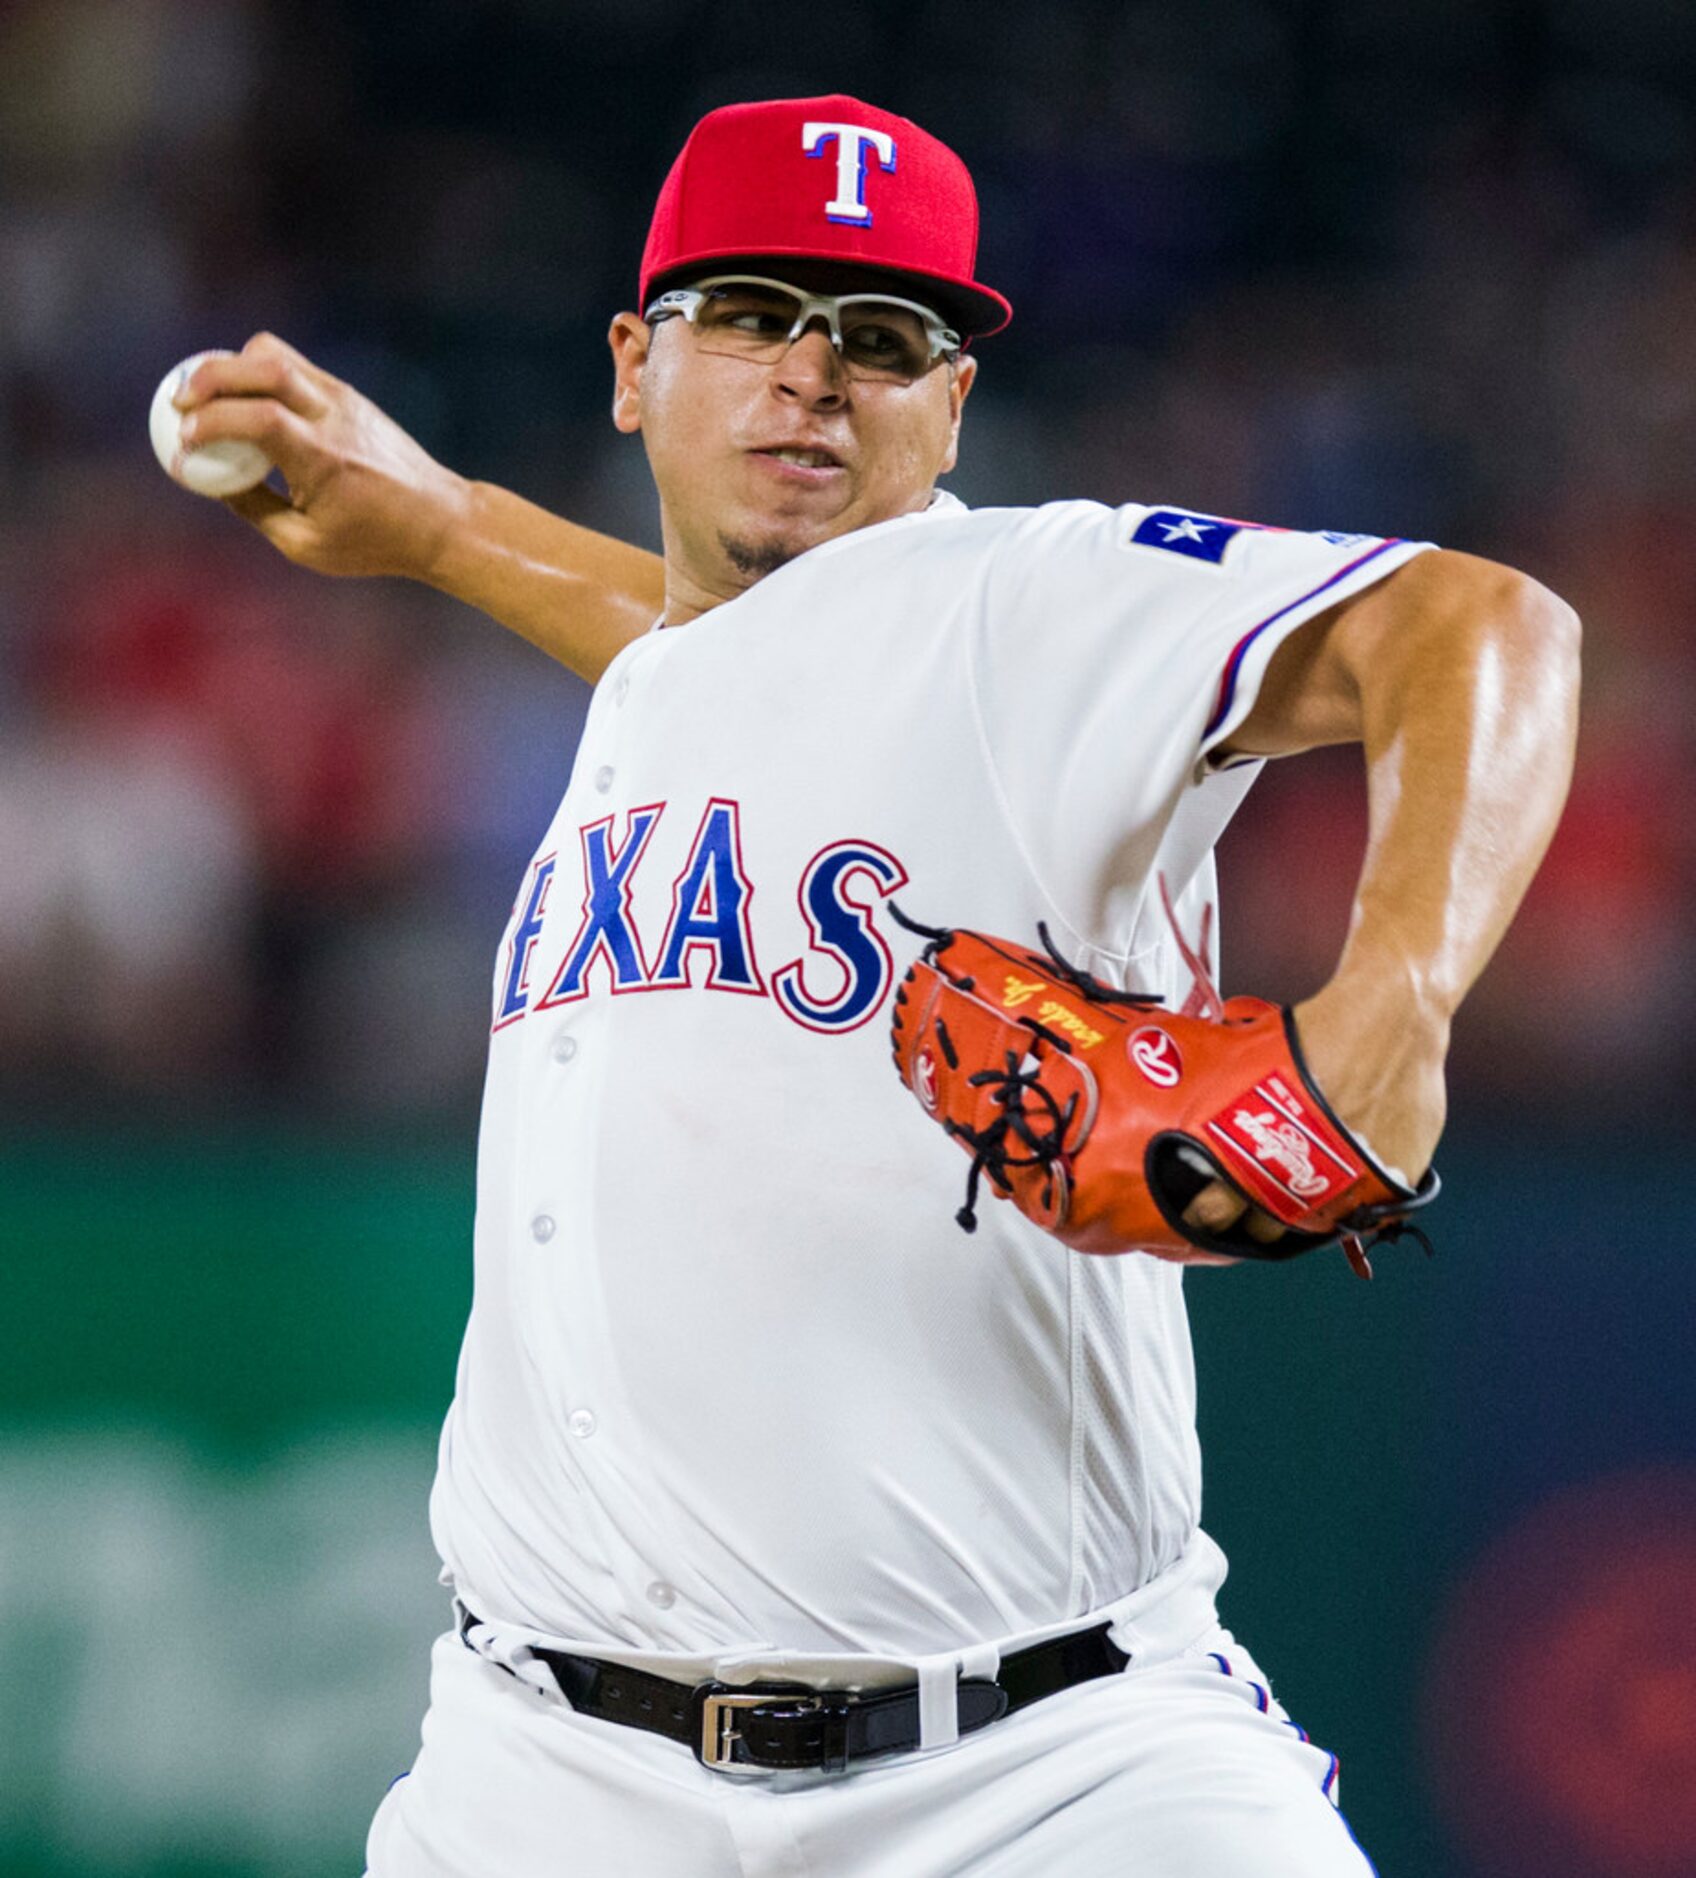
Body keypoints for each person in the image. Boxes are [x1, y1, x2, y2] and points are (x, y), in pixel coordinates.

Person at [174, 95, 1579, 1876]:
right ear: (632, 364)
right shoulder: (691, 677)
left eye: (885, 338)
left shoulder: (1019, 598)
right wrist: (447, 524)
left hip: (1040, 1775)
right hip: (539, 1776)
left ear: (953, 406)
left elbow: (1486, 630)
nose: (814, 376)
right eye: (754, 312)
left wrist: (1399, 996)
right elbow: (721, 658)